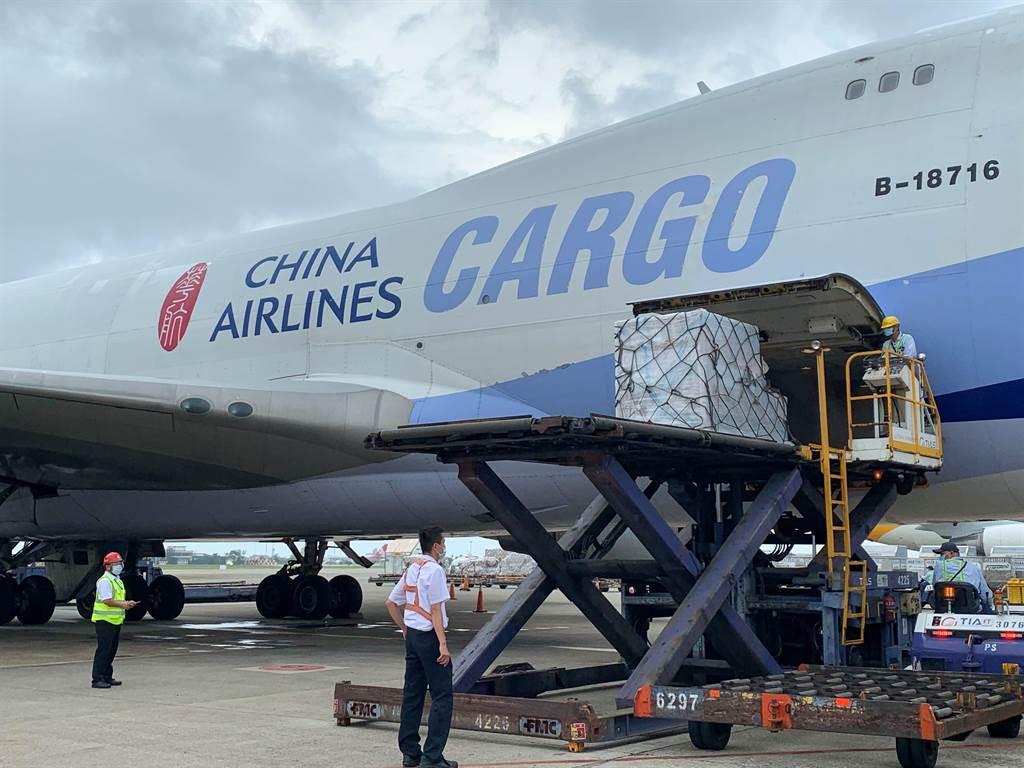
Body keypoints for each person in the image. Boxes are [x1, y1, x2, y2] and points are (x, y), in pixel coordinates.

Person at [385, 527, 457, 768]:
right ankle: (432, 756)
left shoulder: (412, 569)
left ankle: (410, 753)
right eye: (443, 543)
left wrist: (405, 629)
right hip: (429, 637)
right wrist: (443, 645)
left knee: (412, 694)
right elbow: (436, 610)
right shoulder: (435, 571)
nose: (444, 547)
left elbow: (391, 603)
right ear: (435, 546)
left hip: (413, 637)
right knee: (442, 696)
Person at [91, 552, 139, 689]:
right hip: (105, 620)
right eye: (116, 564)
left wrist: (126, 603)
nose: (119, 566)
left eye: (120, 563)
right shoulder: (105, 581)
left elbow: (116, 599)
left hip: (115, 620)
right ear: (108, 566)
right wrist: (123, 604)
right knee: (104, 650)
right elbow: (107, 600)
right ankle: (97, 679)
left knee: (111, 650)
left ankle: (107, 676)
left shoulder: (117, 580)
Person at [929, 541, 993, 610]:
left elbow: (935, 586)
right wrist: (988, 605)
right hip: (970, 609)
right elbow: (986, 594)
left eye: (942, 554)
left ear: (952, 553)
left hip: (944, 607)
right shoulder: (973, 567)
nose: (941, 557)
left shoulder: (939, 566)